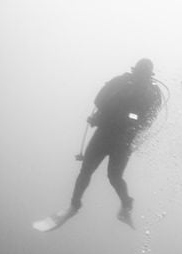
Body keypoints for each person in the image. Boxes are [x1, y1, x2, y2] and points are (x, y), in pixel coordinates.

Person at [55, 58, 163, 228]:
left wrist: (108, 116)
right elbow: (101, 101)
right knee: (101, 174)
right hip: (115, 138)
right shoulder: (127, 84)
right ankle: (78, 205)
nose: (141, 78)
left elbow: (100, 102)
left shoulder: (143, 90)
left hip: (113, 137)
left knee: (100, 174)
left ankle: (79, 206)